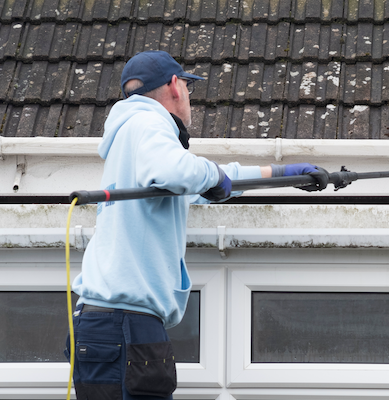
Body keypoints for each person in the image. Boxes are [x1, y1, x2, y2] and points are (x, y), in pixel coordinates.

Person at [66, 50, 327, 399]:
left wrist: (281, 174)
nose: (189, 97)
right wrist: (213, 176)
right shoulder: (149, 122)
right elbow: (179, 172)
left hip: (108, 325)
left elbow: (202, 183)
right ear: (175, 85)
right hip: (123, 325)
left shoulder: (132, 137)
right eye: (189, 87)